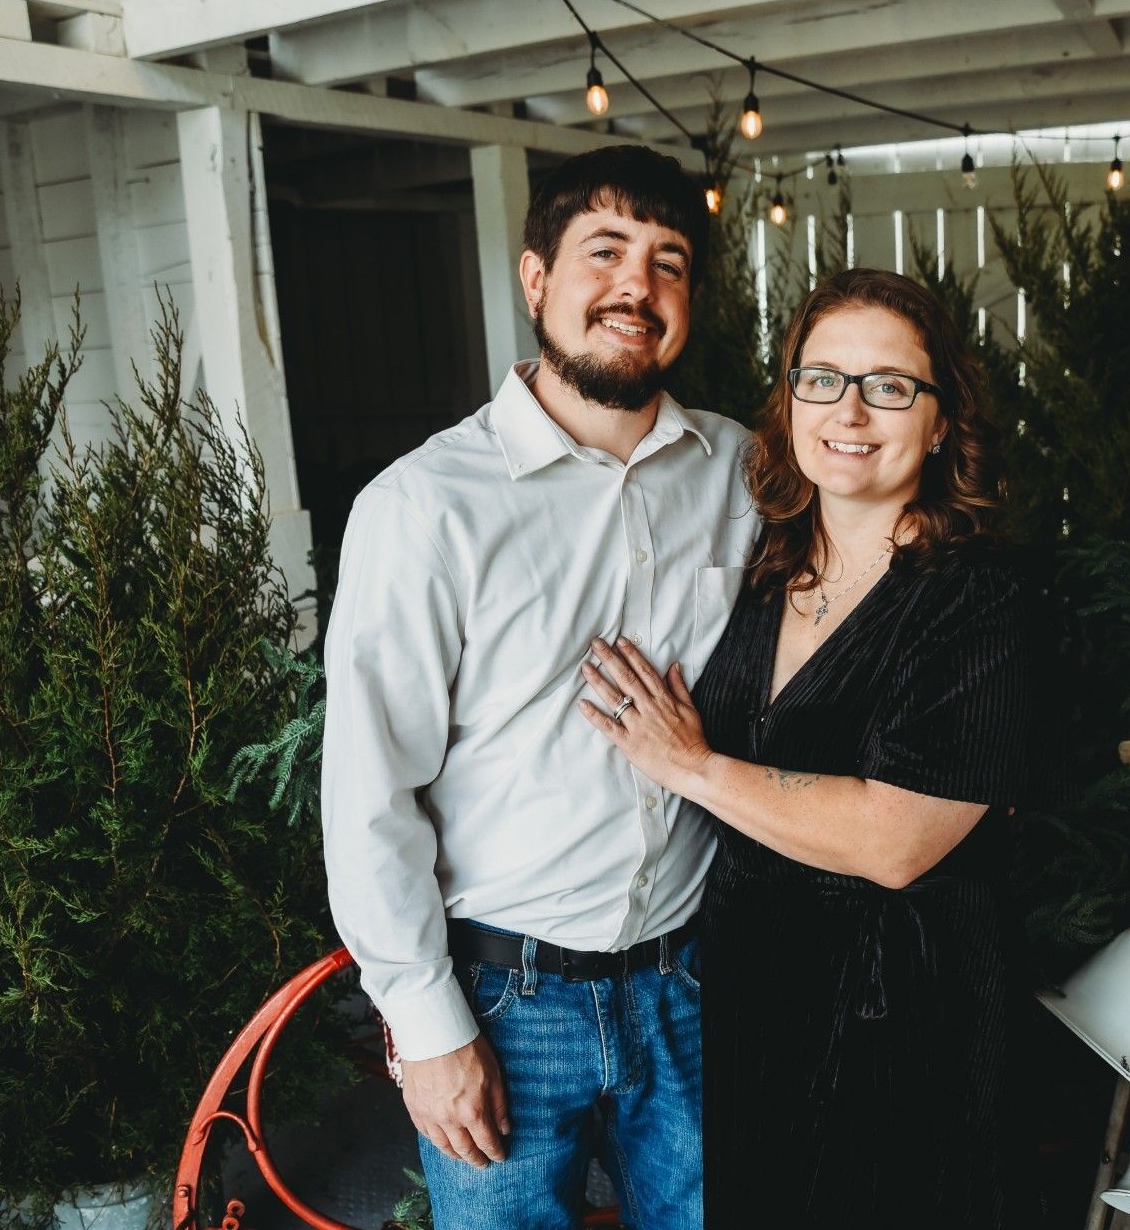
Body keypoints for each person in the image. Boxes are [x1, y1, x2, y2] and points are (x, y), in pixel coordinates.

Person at [320, 144, 758, 1230]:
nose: (637, 288)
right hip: (506, 1001)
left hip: (693, 983)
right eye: (603, 252)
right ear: (535, 280)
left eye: (668, 263)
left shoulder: (746, 474)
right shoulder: (426, 506)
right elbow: (369, 791)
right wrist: (426, 1025)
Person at [578, 267, 1042, 1228]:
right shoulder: (767, 563)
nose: (852, 410)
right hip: (756, 984)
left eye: (890, 385)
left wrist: (692, 765)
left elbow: (896, 837)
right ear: (790, 399)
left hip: (907, 1001)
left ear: (943, 418)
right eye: (822, 378)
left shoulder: (981, 597)